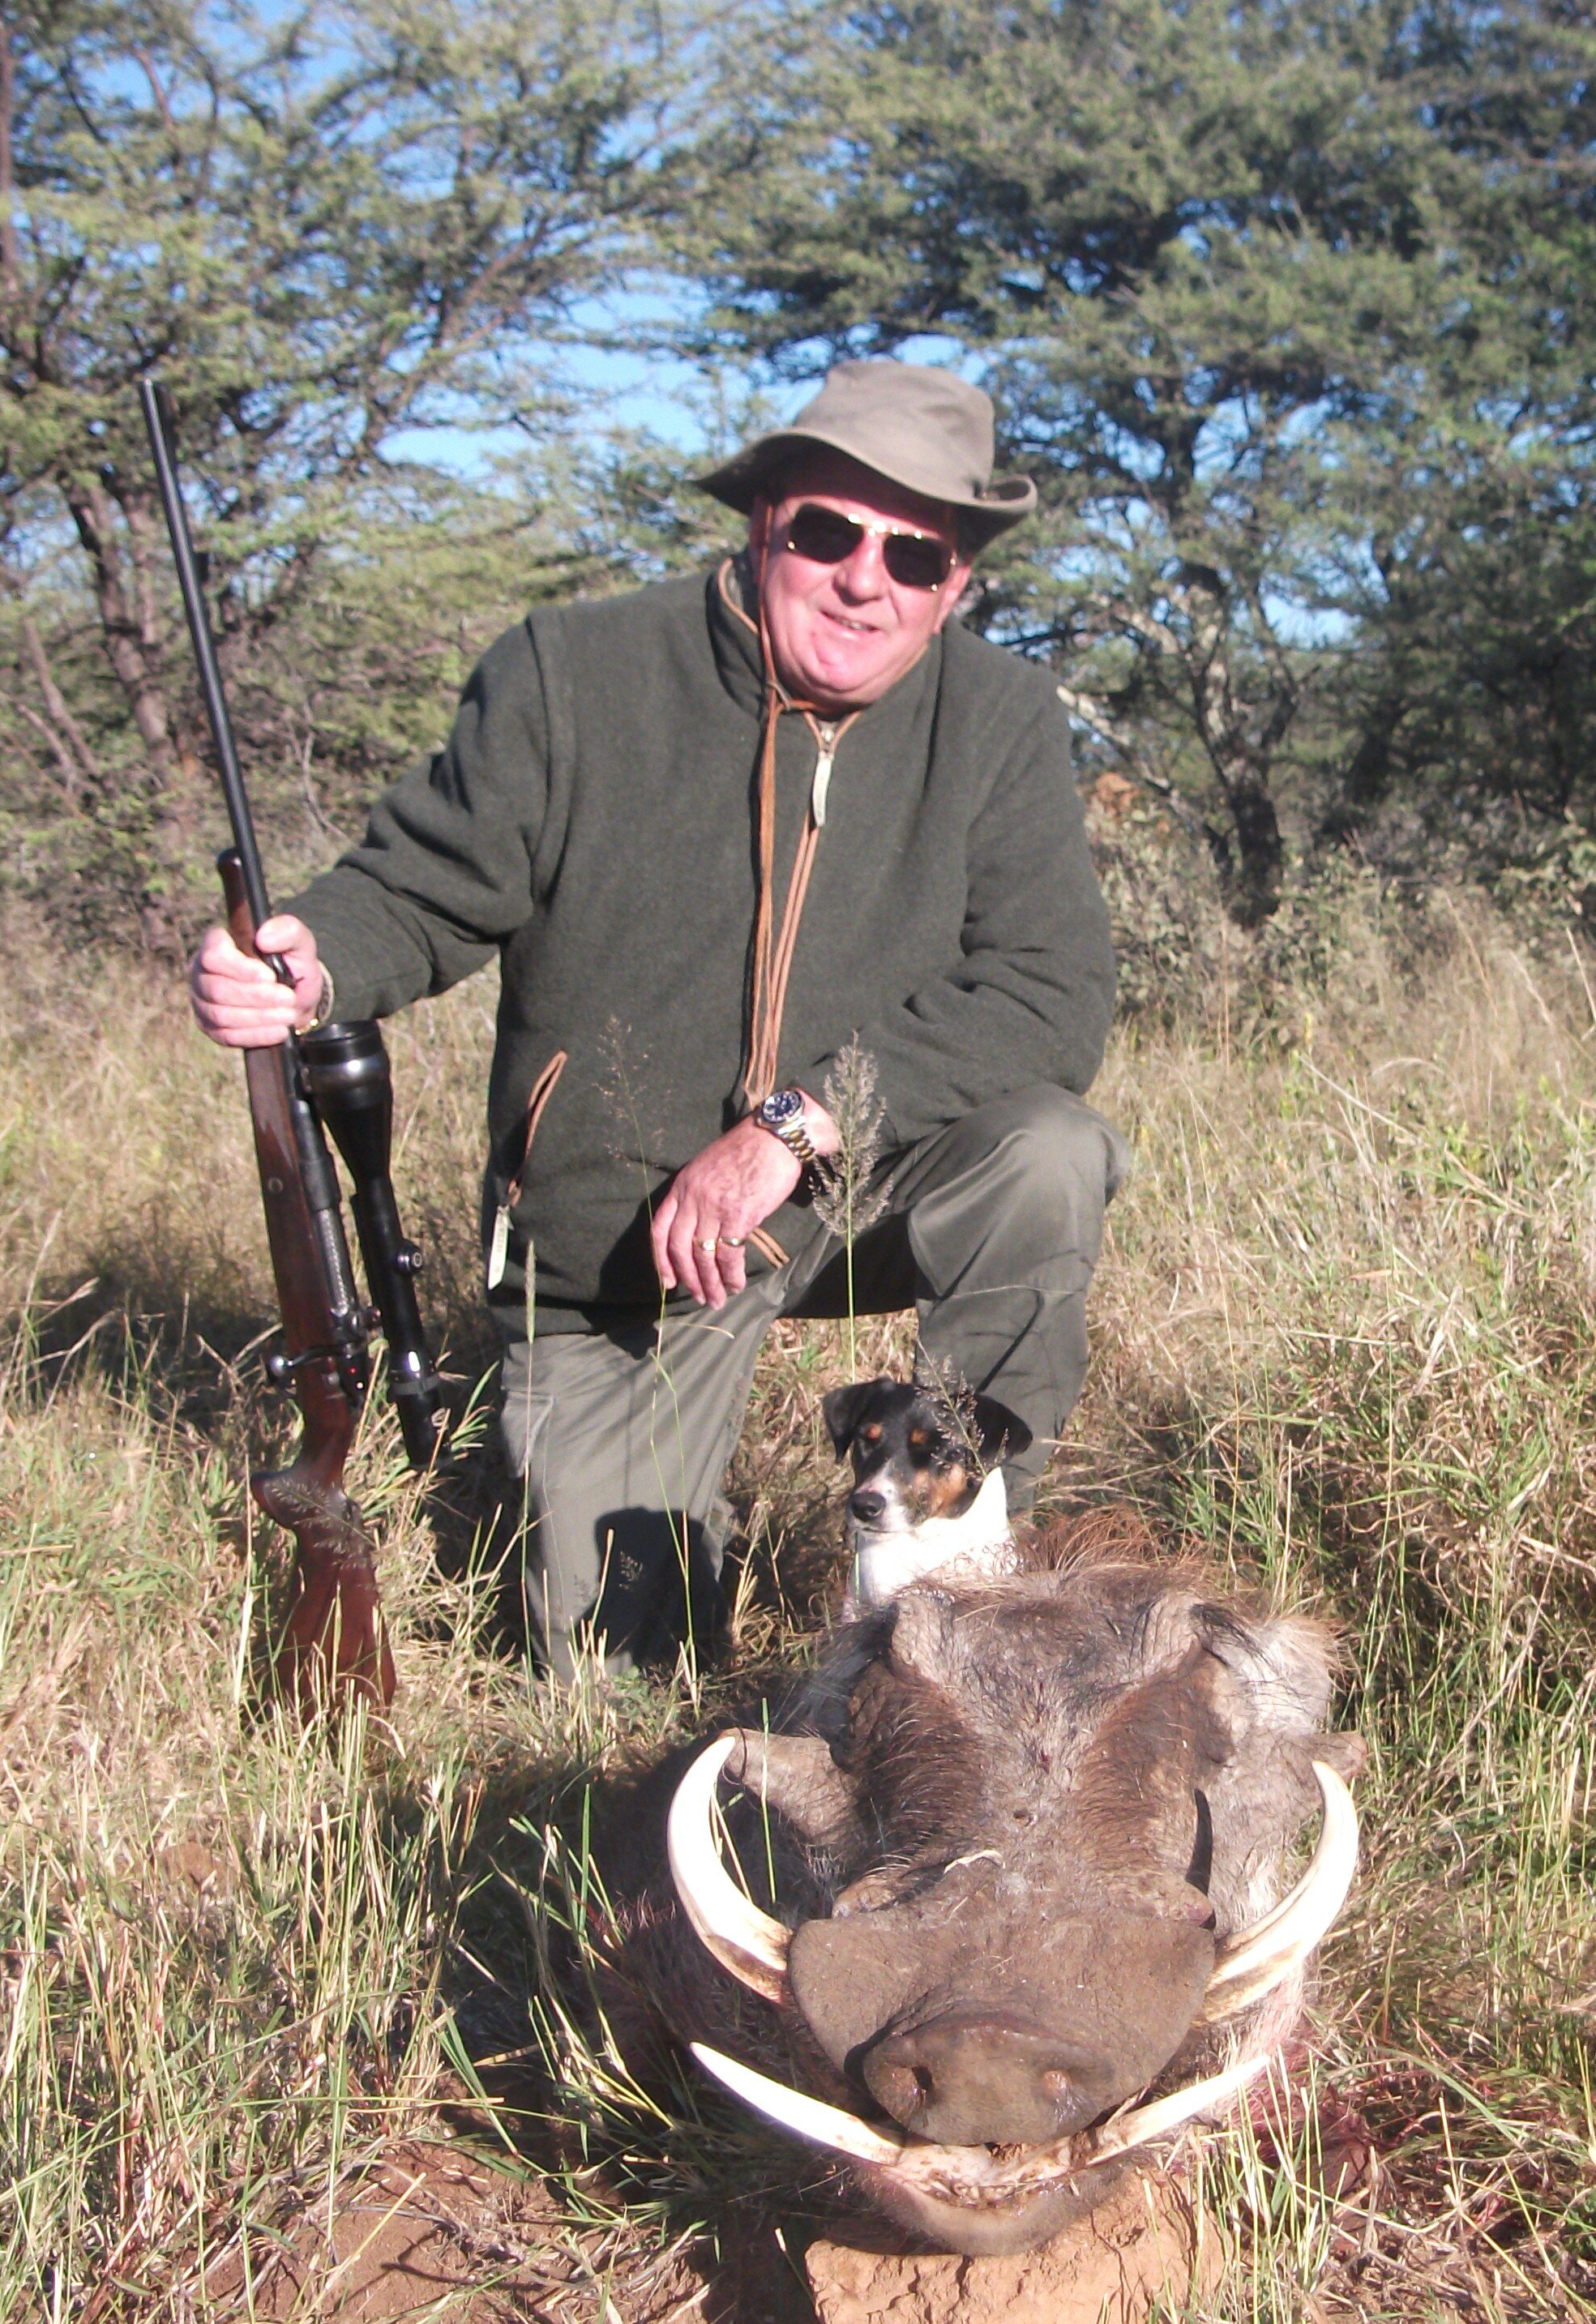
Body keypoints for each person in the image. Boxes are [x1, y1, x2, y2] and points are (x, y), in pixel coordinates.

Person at [188, 362, 1123, 1678]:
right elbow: (416, 888)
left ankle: (962, 1547)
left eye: (914, 554)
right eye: (828, 532)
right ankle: (663, 1536)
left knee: (1050, 1155)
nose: (867, 579)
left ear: (955, 583)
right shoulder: (573, 673)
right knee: (615, 1671)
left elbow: (1051, 990)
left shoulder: (1003, 716)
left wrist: (797, 1127)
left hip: (854, 1183)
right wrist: (309, 961)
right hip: (630, 1247)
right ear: (762, 521)